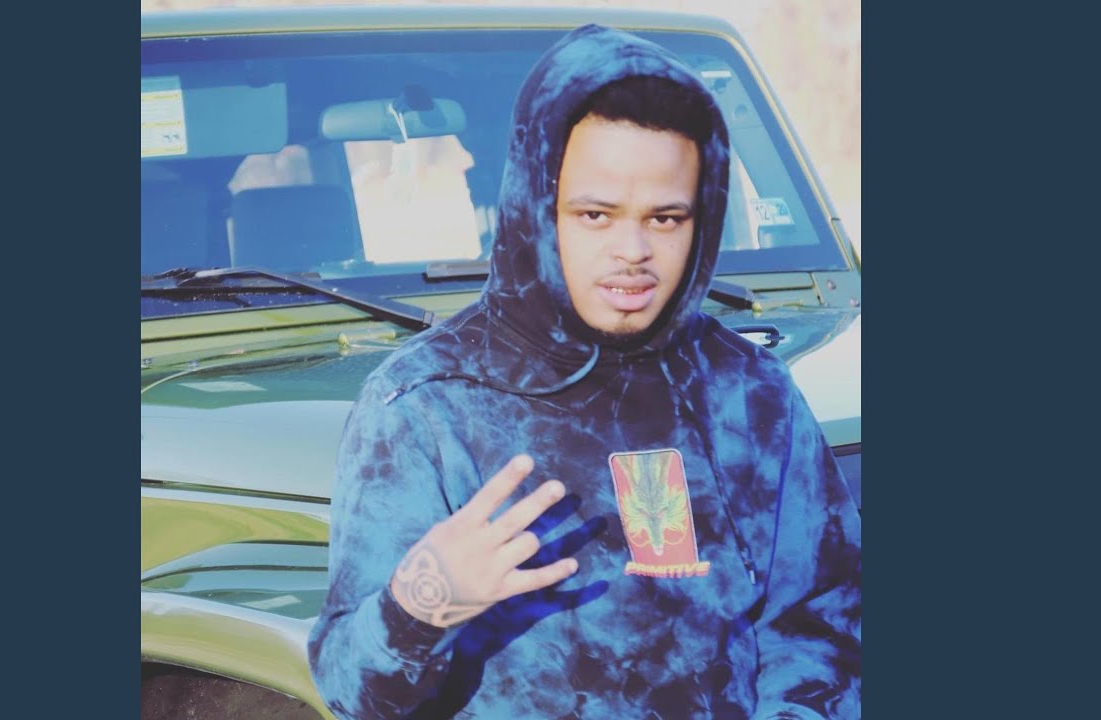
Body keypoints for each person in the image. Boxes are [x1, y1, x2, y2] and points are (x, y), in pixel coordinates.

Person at [308, 24, 860, 720]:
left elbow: (822, 627)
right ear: (536, 211)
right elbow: (351, 691)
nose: (633, 250)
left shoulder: (749, 392)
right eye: (596, 215)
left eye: (665, 219)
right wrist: (421, 603)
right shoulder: (426, 405)